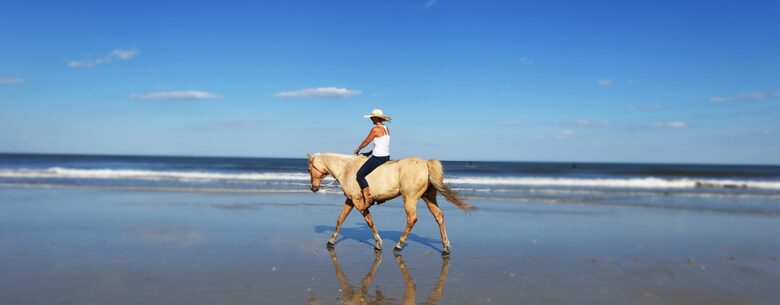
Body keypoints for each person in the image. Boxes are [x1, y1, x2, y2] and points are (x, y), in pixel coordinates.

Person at [353, 109, 391, 207]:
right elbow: (381, 144)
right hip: (386, 157)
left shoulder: (375, 129)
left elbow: (366, 142)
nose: (371, 119)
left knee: (360, 175)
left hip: (378, 157)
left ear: (375, 118)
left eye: (371, 117)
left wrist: (357, 150)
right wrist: (369, 153)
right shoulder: (387, 128)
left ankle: (368, 198)